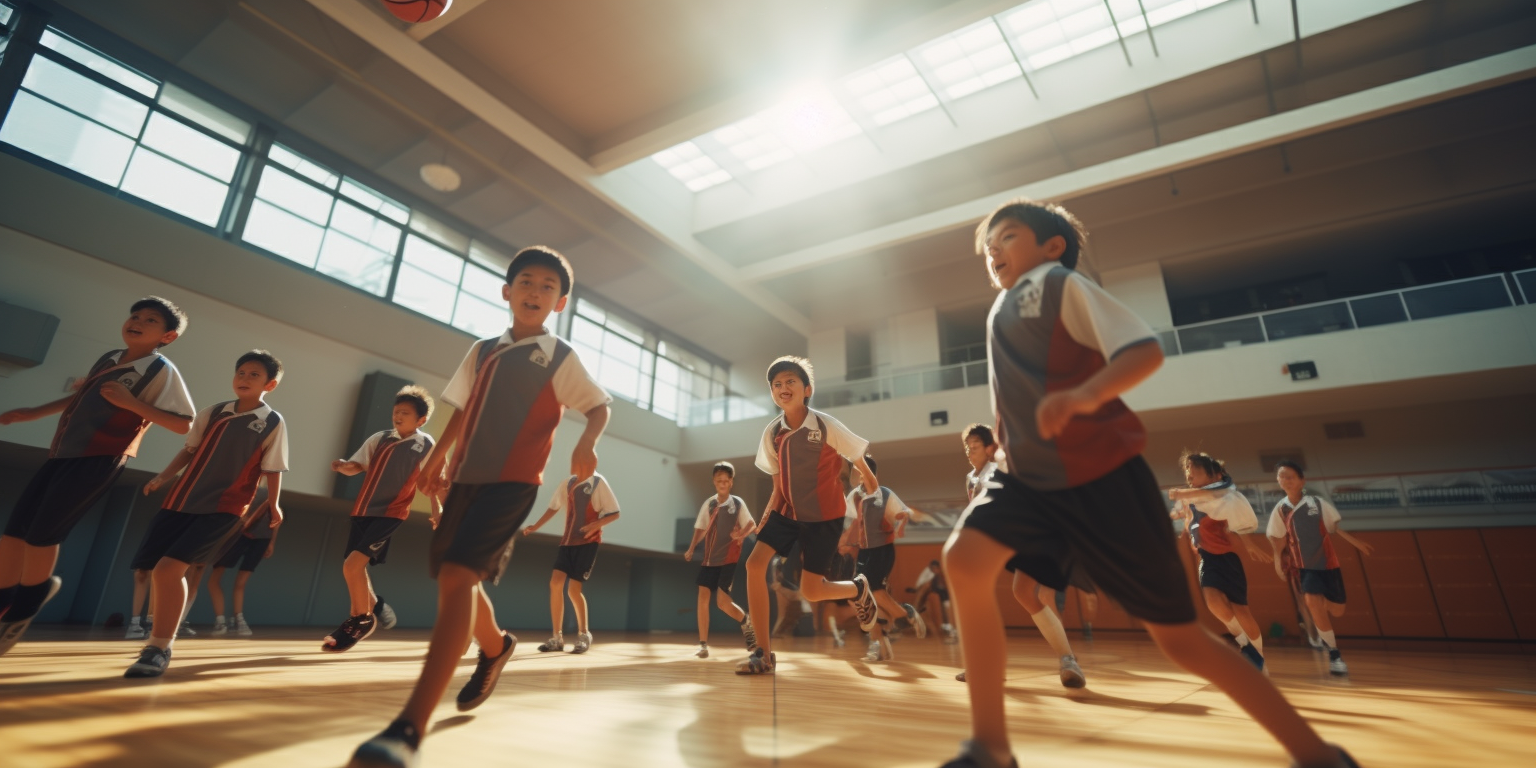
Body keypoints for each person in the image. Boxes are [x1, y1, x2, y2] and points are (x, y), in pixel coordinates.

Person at [940, 198, 1360, 768]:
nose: (993, 249)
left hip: (1099, 477)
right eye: (988, 244)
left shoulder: (1058, 284)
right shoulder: (1001, 308)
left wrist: (1083, 396)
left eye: (1007, 236)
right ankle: (989, 746)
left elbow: (1142, 350)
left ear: (1052, 246)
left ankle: (1316, 752)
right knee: (964, 559)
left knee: (1180, 639)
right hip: (1024, 479)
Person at [347, 246, 611, 768]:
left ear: (559, 303)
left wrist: (587, 443)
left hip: (512, 484)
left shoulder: (558, 356)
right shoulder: (483, 350)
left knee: (457, 578)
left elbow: (598, 404)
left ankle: (408, 728)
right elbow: (461, 409)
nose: (536, 292)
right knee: (455, 575)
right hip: (464, 481)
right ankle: (495, 645)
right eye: (527, 282)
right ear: (507, 291)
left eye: (548, 287)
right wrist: (438, 457)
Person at [0, 297, 194, 654]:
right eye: (134, 315)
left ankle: (27, 605)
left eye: (150, 320)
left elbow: (184, 423)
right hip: (62, 454)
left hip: (100, 458)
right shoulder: (108, 358)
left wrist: (132, 404)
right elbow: (79, 399)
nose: (136, 321)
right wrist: (32, 412)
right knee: (13, 534)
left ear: (167, 337)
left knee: (42, 535)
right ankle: (5, 599)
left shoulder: (160, 369)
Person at [124, 350, 288, 678]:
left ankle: (158, 647)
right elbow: (188, 450)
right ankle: (158, 642)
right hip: (180, 500)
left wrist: (274, 503)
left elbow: (273, 468)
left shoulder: (271, 422)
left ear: (269, 384)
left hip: (223, 508)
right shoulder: (212, 413)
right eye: (240, 372)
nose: (244, 378)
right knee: (158, 570)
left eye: (253, 375)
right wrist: (162, 477)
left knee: (170, 570)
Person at [736, 356, 882, 675]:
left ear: (807, 389)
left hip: (823, 516)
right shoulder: (772, 432)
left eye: (790, 382)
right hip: (786, 511)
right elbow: (777, 483)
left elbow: (856, 454)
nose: (783, 388)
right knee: (753, 563)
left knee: (812, 591)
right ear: (772, 393)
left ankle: (857, 588)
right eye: (776, 384)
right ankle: (763, 652)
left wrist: (872, 484)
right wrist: (765, 520)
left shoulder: (825, 424)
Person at [956, 423, 1086, 688]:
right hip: (995, 540)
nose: (970, 452)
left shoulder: (998, 467)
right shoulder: (971, 477)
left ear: (990, 448)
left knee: (1018, 593)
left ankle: (1068, 660)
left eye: (975, 446)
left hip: (1024, 535)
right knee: (998, 594)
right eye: (967, 447)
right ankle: (986, 665)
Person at [323, 385, 438, 652]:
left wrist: (436, 508)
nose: (397, 416)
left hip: (391, 513)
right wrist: (343, 466)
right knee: (356, 567)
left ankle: (359, 620)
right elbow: (357, 466)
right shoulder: (380, 438)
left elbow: (431, 481)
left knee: (351, 566)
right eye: (396, 412)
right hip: (363, 510)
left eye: (405, 413)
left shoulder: (425, 444)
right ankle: (374, 607)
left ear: (421, 420)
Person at [1268, 461, 1375, 677]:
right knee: (1311, 600)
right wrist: (1277, 561)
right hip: (1305, 568)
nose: (1285, 480)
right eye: (1281, 476)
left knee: (1337, 610)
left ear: (1301, 481)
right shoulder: (1280, 509)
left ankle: (1321, 608)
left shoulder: (1317, 502)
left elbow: (1334, 528)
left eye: (1290, 476)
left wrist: (1356, 543)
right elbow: (1277, 538)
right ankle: (1334, 654)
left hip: (1329, 566)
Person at [1168, 451, 1271, 671]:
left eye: (1195, 473)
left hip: (1227, 558)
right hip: (1207, 558)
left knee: (1241, 610)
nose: (1190, 478)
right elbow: (1183, 515)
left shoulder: (1224, 498)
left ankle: (1259, 657)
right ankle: (1246, 646)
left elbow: (1238, 521)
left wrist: (1250, 545)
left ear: (1214, 476)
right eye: (1188, 474)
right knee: (1213, 602)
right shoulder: (1192, 498)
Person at [522, 472, 621, 654]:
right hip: (567, 543)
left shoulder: (598, 482)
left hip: (587, 544)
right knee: (555, 583)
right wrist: (536, 526)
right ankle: (556, 637)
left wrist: (595, 525)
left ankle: (584, 634)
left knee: (573, 590)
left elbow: (615, 513)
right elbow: (554, 507)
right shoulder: (567, 483)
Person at [845, 454, 923, 663]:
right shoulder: (854, 496)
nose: (855, 475)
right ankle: (882, 640)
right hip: (864, 552)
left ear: (870, 473)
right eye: (854, 471)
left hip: (882, 550)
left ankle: (903, 615)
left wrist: (902, 520)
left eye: (859, 471)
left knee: (875, 591)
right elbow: (851, 526)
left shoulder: (884, 494)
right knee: (857, 597)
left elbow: (901, 513)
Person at [682, 461, 757, 658]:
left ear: (731, 482)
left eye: (726, 481)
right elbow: (700, 528)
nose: (722, 484)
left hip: (728, 559)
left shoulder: (737, 503)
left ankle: (746, 621)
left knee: (723, 603)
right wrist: (691, 549)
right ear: (714, 482)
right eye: (718, 481)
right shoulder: (710, 504)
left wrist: (740, 536)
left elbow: (751, 524)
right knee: (702, 598)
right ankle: (703, 645)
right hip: (709, 560)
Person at [208, 493, 278, 636]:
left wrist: (271, 542)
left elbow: (276, 516)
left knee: (241, 582)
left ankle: (239, 620)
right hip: (237, 535)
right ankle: (220, 622)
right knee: (214, 579)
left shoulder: (271, 488)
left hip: (261, 539)